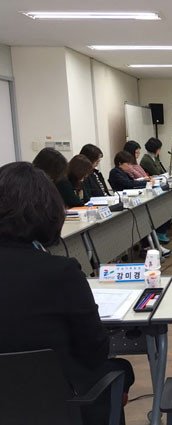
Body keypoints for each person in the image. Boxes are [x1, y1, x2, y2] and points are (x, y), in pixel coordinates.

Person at [0, 162, 135, 425]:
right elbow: (95, 350)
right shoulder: (60, 273)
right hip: (58, 401)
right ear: (48, 211)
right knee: (120, 369)